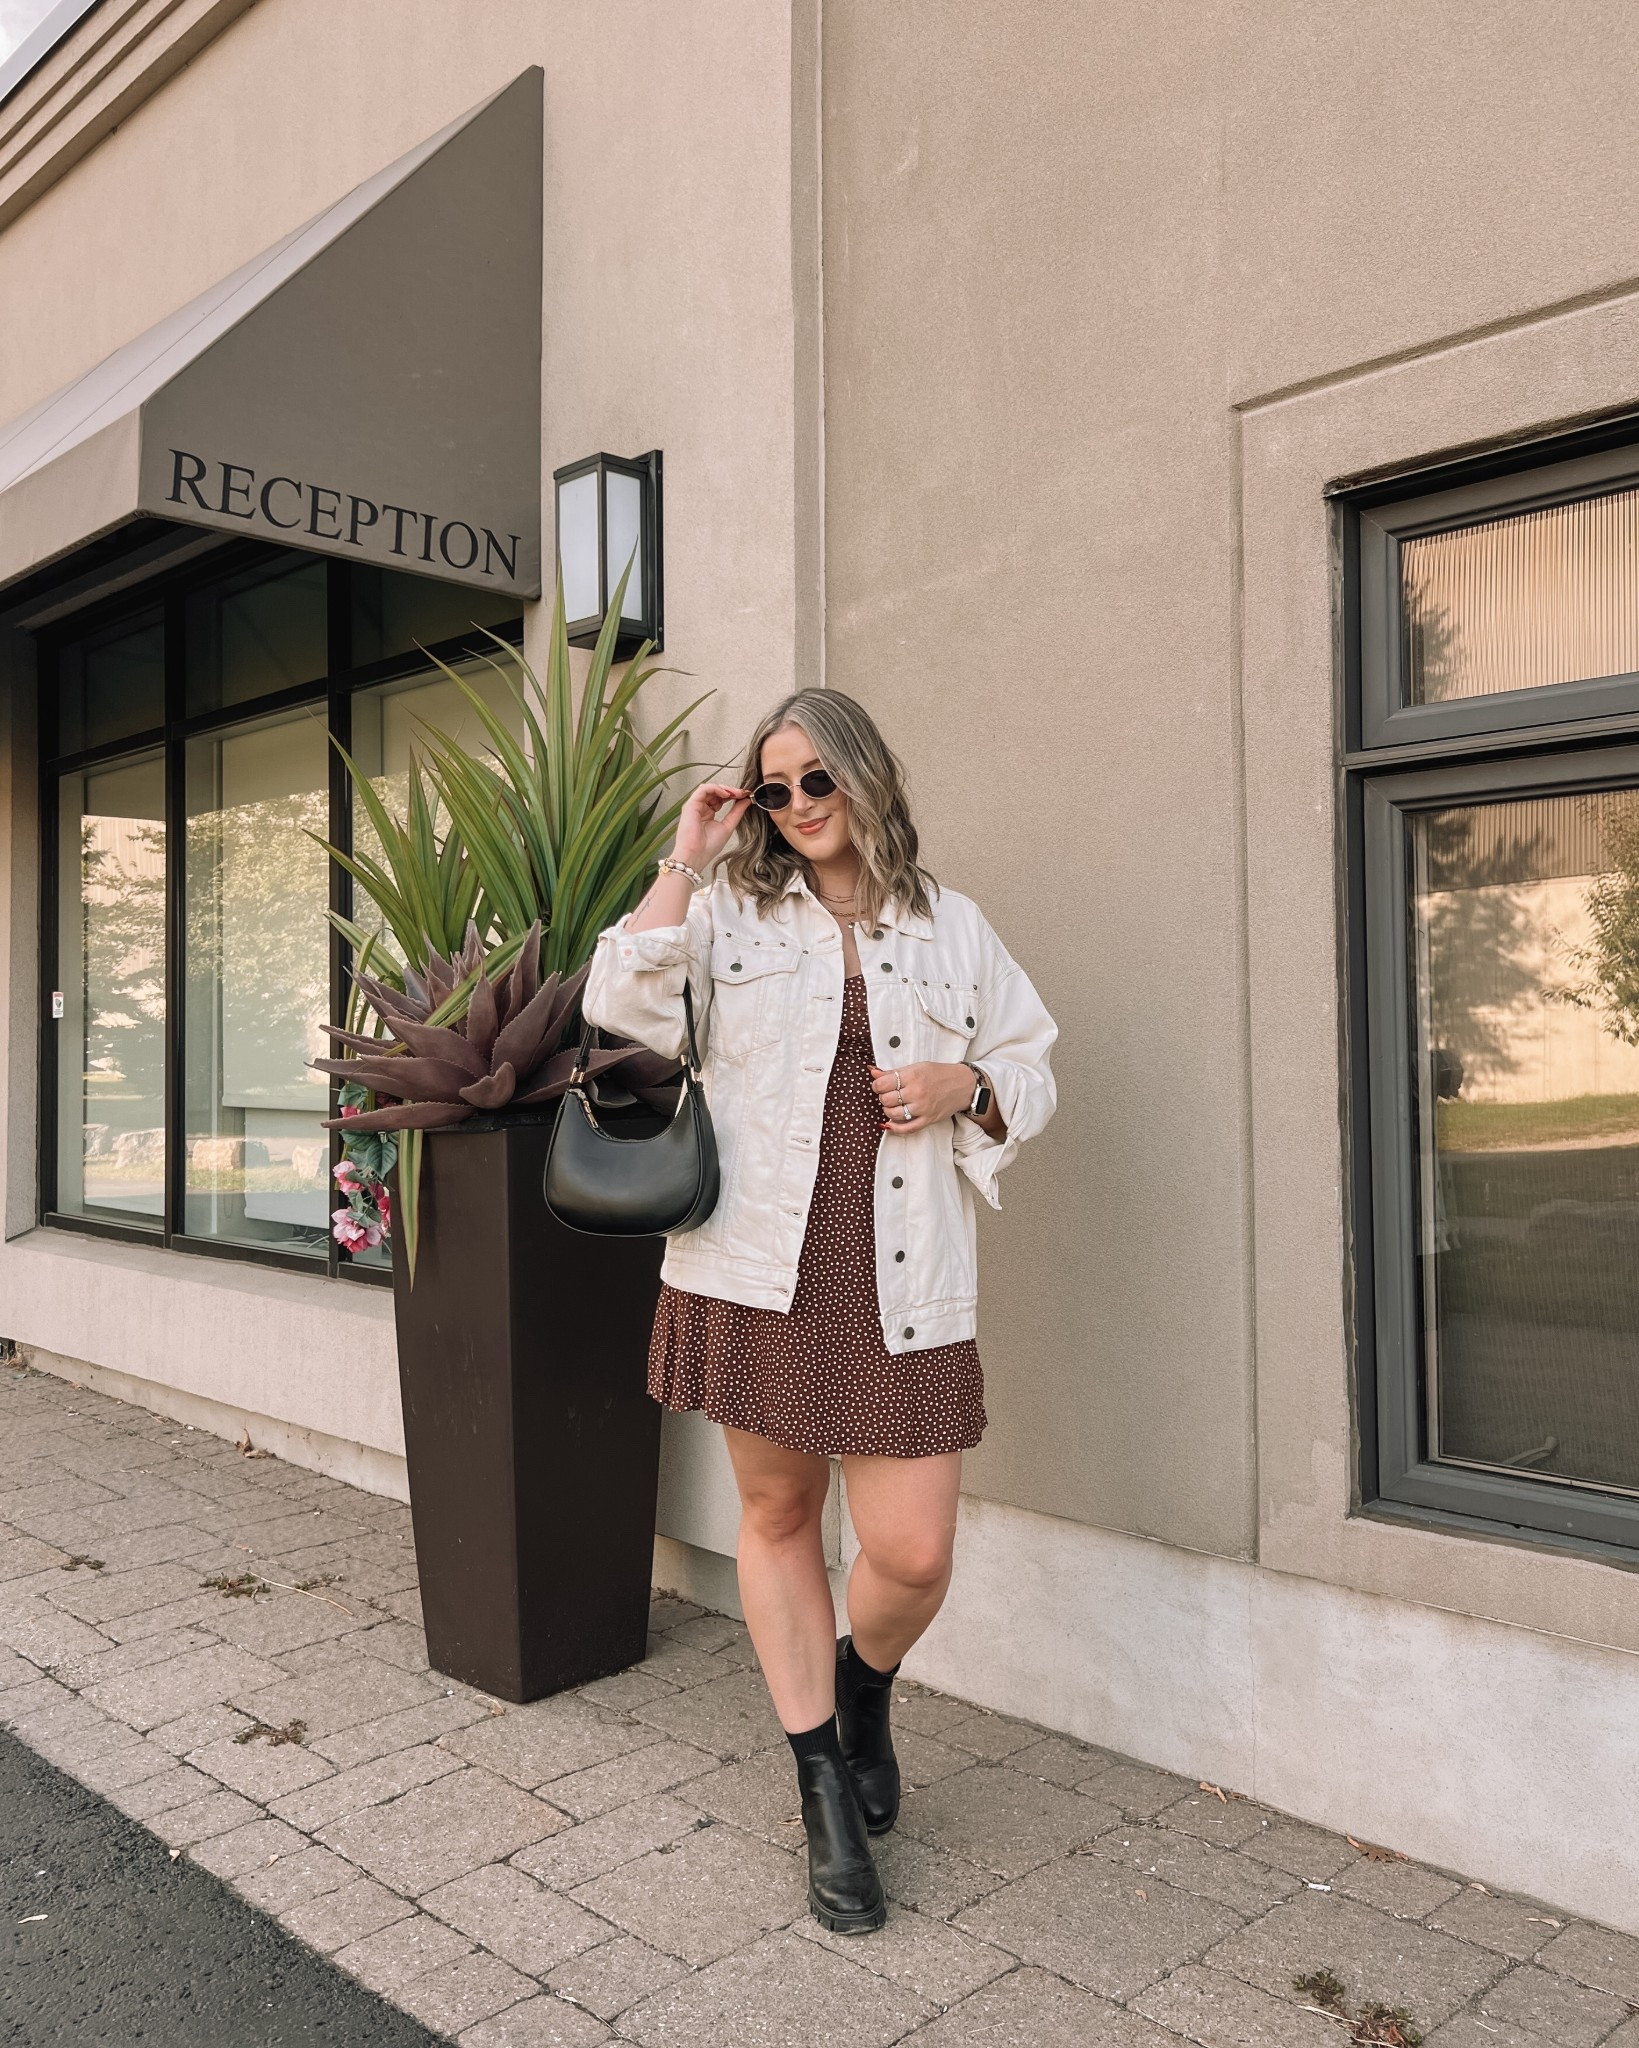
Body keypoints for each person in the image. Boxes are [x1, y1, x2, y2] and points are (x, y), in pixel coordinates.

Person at [582, 688, 1057, 1935]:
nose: (794, 808)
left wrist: (971, 1083)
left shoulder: (948, 921)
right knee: (779, 1513)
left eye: (815, 783)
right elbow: (620, 1024)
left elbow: (1034, 1064)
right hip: (758, 1267)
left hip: (903, 1271)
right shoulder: (729, 909)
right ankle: (820, 1789)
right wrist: (683, 859)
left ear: (863, 777)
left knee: (909, 1554)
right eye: (773, 788)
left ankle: (863, 1691)